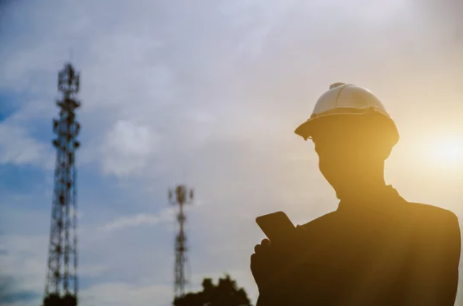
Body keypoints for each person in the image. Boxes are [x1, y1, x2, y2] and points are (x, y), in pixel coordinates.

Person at [250, 83, 461, 306]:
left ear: (382, 146)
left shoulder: (433, 227)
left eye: (344, 143)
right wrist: (274, 290)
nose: (331, 159)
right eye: (322, 147)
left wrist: (303, 283)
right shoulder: (305, 242)